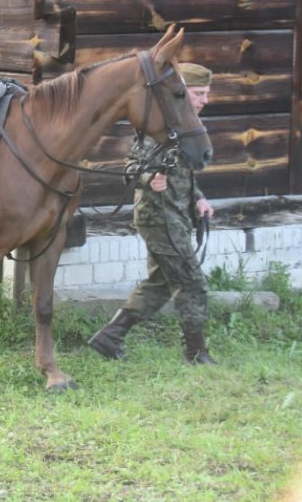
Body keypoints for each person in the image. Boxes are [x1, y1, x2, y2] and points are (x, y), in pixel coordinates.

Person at [88, 62, 217, 365]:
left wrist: (198, 199)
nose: (205, 100)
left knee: (160, 283)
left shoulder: (187, 128)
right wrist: (149, 179)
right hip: (159, 217)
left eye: (207, 94)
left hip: (175, 217)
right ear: (184, 93)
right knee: (191, 281)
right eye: (199, 93)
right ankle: (196, 353)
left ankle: (110, 337)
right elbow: (131, 168)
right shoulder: (161, 129)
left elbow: (184, 177)